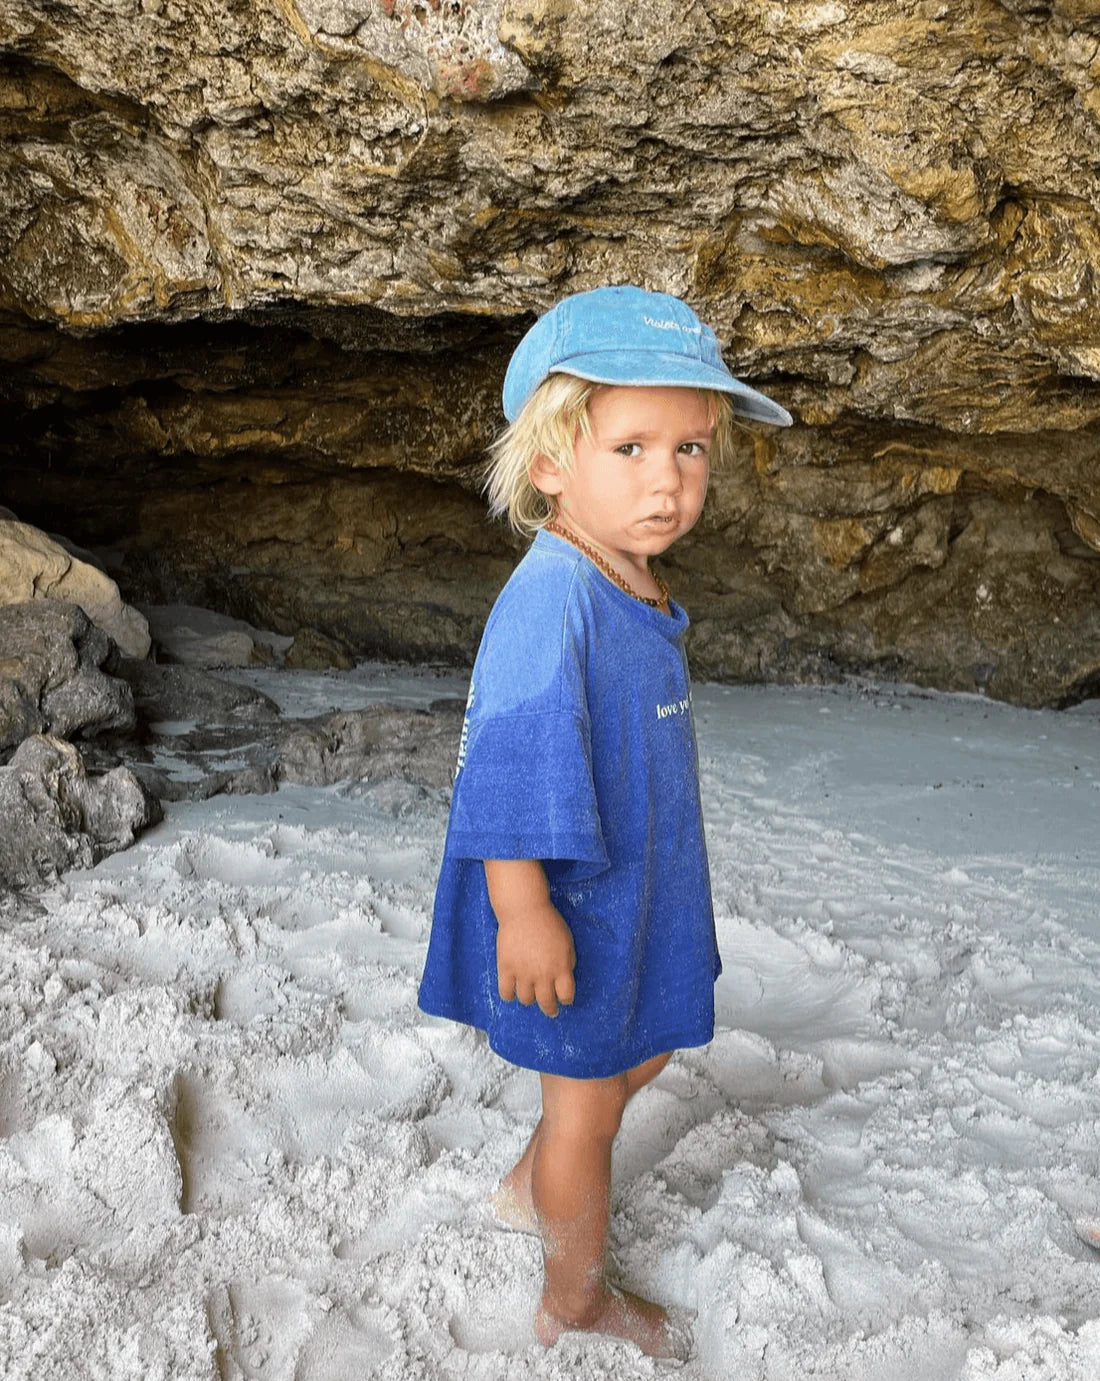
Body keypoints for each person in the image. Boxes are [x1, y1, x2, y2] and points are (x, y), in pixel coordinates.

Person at [417, 284, 793, 1359]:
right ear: (549, 463)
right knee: (587, 1105)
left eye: (688, 449)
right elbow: (506, 762)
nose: (666, 480)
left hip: (635, 883)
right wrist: (521, 907)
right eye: (628, 447)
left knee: (643, 1054)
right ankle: (571, 1298)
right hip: (564, 900)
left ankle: (528, 1184)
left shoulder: (624, 573)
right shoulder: (553, 597)